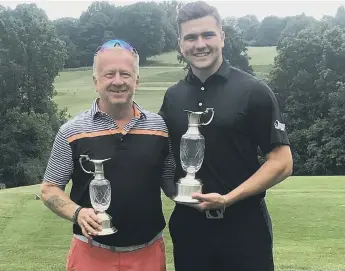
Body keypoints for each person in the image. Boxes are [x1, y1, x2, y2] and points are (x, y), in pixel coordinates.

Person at [159, 2, 293, 271]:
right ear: (180, 44)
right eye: (191, 37)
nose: (200, 44)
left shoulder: (253, 91)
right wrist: (173, 192)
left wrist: (228, 198)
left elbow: (282, 162)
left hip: (244, 228)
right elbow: (162, 157)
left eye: (207, 35)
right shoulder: (172, 97)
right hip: (189, 229)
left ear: (222, 36)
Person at [41, 39, 175, 271]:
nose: (117, 81)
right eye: (109, 74)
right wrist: (77, 213)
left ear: (137, 80)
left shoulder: (160, 127)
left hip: (148, 254)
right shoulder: (71, 131)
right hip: (90, 254)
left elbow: (169, 180)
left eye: (125, 74)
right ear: (96, 81)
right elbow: (49, 188)